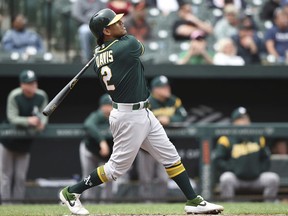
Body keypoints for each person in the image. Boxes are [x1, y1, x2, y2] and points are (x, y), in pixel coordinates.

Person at [58, 8, 224, 215]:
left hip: (141, 112)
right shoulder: (127, 45)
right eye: (116, 23)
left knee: (170, 156)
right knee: (115, 169)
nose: (122, 23)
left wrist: (103, 45)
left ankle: (194, 201)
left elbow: (109, 50)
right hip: (129, 116)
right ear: (106, 31)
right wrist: (109, 44)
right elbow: (138, 47)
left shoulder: (98, 56)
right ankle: (71, 192)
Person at [136, 75, 188, 201]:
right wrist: (158, 121)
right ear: (155, 90)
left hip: (164, 145)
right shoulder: (147, 101)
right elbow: (140, 120)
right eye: (163, 87)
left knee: (163, 178)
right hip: (146, 147)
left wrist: (169, 119)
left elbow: (183, 116)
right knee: (145, 178)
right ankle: (146, 203)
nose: (167, 89)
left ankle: (160, 202)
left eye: (167, 86)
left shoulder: (174, 101)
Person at [0, 70, 48, 203]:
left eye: (34, 82)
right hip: (8, 142)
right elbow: (12, 117)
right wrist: (28, 121)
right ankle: (6, 204)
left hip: (25, 144)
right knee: (5, 176)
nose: (33, 85)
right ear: (22, 85)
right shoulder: (15, 95)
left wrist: (41, 123)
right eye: (29, 83)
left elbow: (45, 114)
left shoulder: (41, 96)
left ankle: (17, 205)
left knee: (21, 177)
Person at [214, 107, 280, 202]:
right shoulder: (226, 138)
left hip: (256, 179)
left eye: (246, 119)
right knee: (226, 178)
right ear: (234, 122)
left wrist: (257, 169)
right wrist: (234, 168)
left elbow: (266, 159)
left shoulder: (258, 137)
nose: (244, 122)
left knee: (273, 178)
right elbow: (219, 160)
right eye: (240, 119)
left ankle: (268, 206)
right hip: (236, 179)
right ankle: (229, 208)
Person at [79, 93, 114, 201]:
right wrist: (102, 141)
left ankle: (107, 202)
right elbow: (88, 124)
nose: (109, 107)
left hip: (108, 155)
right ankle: (89, 201)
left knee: (110, 176)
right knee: (89, 177)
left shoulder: (117, 118)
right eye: (106, 105)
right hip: (90, 151)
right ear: (101, 106)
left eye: (111, 105)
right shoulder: (97, 116)